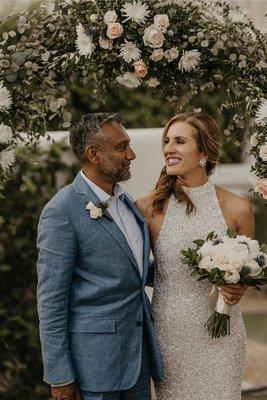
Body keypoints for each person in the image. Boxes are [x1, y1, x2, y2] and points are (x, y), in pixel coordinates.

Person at [36, 112, 163, 400]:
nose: (131, 154)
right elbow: (51, 303)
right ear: (93, 154)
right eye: (121, 147)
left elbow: (136, 271)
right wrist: (60, 376)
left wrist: (204, 265)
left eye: (128, 144)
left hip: (138, 361)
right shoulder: (62, 211)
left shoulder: (126, 202)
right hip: (93, 369)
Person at [136, 111, 254, 400]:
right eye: (167, 141)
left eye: (179, 141)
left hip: (222, 336)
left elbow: (245, 273)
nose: (168, 149)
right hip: (170, 332)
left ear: (203, 152)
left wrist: (237, 287)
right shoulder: (147, 208)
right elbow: (138, 270)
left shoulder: (238, 209)